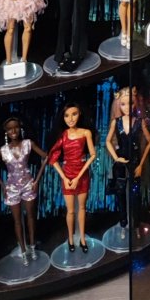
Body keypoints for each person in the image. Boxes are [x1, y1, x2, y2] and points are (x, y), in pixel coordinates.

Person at [0, 115, 48, 265]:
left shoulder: (28, 143)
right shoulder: (2, 150)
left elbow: (46, 157)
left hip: (28, 184)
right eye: (10, 129)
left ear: (20, 128)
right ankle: (23, 250)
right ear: (6, 132)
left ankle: (32, 246)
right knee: (17, 221)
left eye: (15, 127)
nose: (13, 131)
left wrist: (37, 180)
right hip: (12, 187)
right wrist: (2, 184)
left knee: (30, 217)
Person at [47, 103, 96, 252]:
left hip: (82, 175)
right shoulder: (63, 135)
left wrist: (78, 177)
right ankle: (70, 238)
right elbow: (52, 158)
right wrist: (64, 177)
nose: (71, 118)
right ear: (63, 118)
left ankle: (82, 238)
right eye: (67, 115)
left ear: (79, 114)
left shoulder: (86, 132)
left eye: (74, 114)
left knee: (82, 208)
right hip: (67, 175)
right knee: (70, 211)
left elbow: (92, 155)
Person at [104, 86, 150, 230]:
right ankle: (123, 224)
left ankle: (136, 225)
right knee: (120, 195)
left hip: (135, 162)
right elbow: (107, 141)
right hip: (120, 163)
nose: (127, 107)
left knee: (135, 195)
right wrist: (116, 158)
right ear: (118, 105)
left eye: (130, 103)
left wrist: (141, 164)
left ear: (135, 103)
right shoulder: (116, 122)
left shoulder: (139, 122)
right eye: (123, 104)